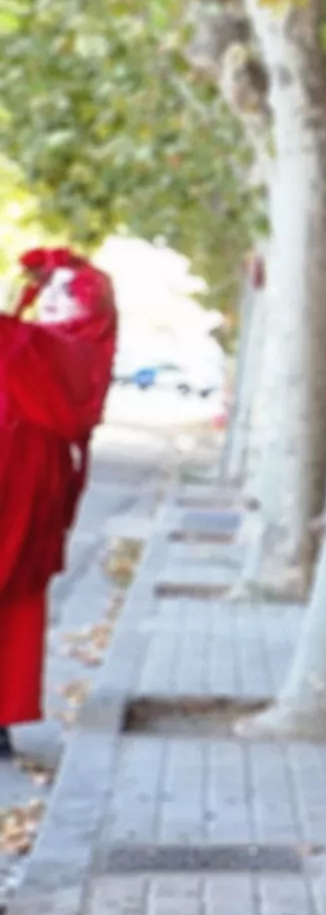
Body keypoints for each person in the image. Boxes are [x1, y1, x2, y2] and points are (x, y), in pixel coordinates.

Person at [0, 247, 117, 752]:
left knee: (17, 595)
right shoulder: (50, 350)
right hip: (28, 471)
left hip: (22, 471)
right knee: (16, 599)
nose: (50, 304)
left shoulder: (39, 349)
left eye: (61, 295)